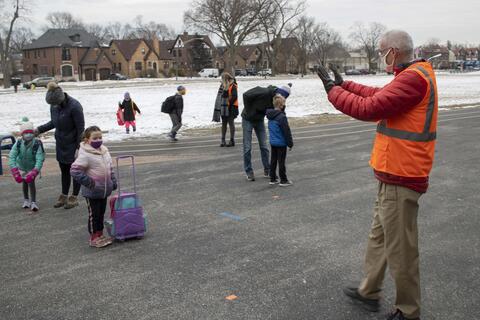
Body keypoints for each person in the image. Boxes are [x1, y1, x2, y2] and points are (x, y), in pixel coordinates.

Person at [317, 30, 438, 320]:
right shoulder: (412, 74)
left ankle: (409, 311)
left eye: (381, 50)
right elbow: (378, 95)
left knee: (401, 250)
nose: (379, 54)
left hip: (402, 175)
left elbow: (371, 107)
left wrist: (333, 93)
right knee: (379, 238)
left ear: (393, 52)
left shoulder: (413, 79)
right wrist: (345, 84)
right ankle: (368, 291)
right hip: (392, 173)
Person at [36, 82, 85, 209]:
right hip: (61, 142)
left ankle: (74, 196)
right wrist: (39, 130)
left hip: (73, 143)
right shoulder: (54, 106)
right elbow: (54, 122)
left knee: (75, 171)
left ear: (61, 99)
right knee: (64, 170)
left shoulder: (75, 106)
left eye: (55, 104)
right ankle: (64, 195)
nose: (53, 106)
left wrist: (79, 147)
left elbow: (81, 129)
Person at [70, 126, 117, 248]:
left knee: (101, 213)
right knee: (94, 214)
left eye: (100, 137)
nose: (98, 140)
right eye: (95, 138)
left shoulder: (104, 151)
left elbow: (109, 168)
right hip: (92, 192)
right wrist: (90, 183)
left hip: (104, 190)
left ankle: (100, 234)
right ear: (86, 140)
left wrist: (113, 180)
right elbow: (74, 170)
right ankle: (93, 237)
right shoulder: (85, 154)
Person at [242, 83, 292, 181]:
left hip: (259, 120)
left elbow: (278, 113)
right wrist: (250, 111)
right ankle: (249, 171)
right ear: (278, 93)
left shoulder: (277, 100)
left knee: (264, 146)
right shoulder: (263, 92)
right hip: (248, 119)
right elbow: (246, 95)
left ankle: (267, 170)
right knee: (247, 147)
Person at [8, 117, 45, 213]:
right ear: (22, 134)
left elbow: (39, 158)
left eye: (30, 132)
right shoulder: (18, 143)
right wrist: (14, 170)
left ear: (33, 133)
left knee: (31, 183)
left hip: (32, 168)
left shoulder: (36, 144)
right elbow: (12, 155)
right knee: (24, 183)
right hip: (21, 167)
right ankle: (26, 200)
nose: (28, 134)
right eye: (26, 132)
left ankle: (33, 202)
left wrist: (35, 171)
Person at [266, 95, 293, 187]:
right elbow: (286, 131)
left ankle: (272, 178)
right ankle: (283, 180)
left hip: (273, 141)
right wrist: (290, 143)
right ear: (282, 105)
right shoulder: (282, 117)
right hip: (281, 143)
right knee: (281, 161)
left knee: (273, 160)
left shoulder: (270, 116)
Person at [219, 73, 239, 147]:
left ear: (226, 79)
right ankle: (223, 140)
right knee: (224, 123)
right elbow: (220, 96)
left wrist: (228, 103)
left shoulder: (233, 85)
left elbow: (234, 97)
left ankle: (232, 140)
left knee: (231, 123)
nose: (221, 80)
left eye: (222, 79)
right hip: (224, 107)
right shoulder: (222, 85)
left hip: (232, 107)